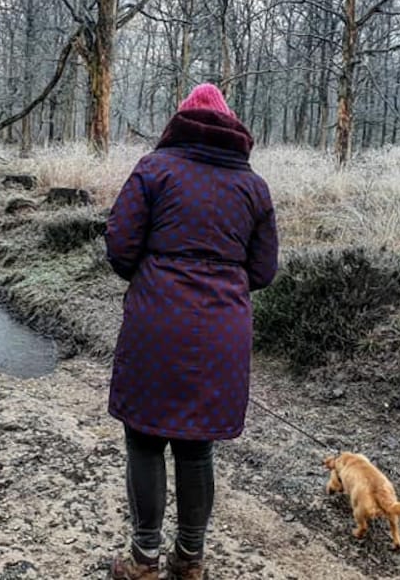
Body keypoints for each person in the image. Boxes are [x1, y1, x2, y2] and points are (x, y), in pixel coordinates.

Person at [105, 84, 279, 580]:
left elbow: (119, 245)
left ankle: (142, 560)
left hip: (155, 322)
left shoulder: (154, 169)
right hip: (221, 328)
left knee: (143, 437)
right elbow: (264, 270)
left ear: (179, 122)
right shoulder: (253, 187)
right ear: (231, 126)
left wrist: (157, 272)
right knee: (196, 446)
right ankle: (190, 559)